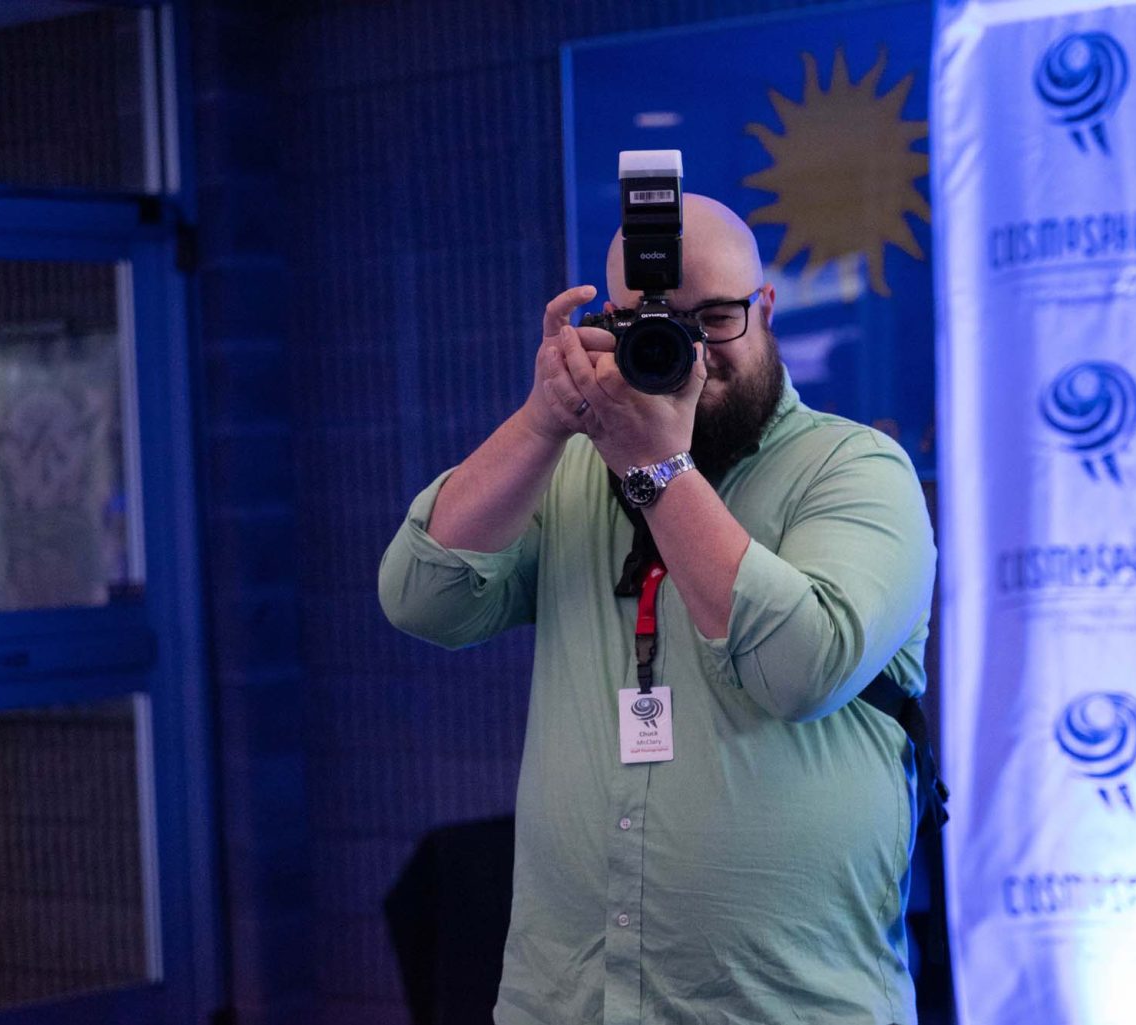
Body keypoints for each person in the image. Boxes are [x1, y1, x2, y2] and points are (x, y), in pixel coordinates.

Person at [378, 193, 937, 1024]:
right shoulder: (572, 469)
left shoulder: (855, 469)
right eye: (655, 324)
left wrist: (659, 471)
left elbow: (803, 668)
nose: (690, 353)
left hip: (789, 1006)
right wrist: (541, 422)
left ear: (766, 307)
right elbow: (422, 597)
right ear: (607, 326)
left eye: (714, 319)